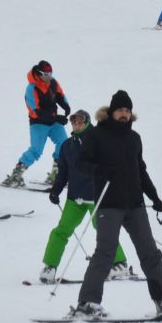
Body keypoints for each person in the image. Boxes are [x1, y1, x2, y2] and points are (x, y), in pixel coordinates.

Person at [70, 91, 162, 319]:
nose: (124, 114)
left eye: (127, 110)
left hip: (135, 205)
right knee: (104, 254)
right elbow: (80, 163)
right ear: (111, 112)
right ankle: (87, 303)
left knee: (150, 254)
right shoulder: (97, 135)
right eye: (120, 110)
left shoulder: (134, 139)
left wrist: (154, 197)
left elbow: (141, 171)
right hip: (109, 204)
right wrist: (100, 170)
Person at [41, 110, 133, 283]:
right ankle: (49, 267)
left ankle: (119, 263)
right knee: (61, 231)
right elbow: (63, 172)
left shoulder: (97, 140)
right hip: (75, 198)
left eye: (80, 122)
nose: (76, 125)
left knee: (104, 230)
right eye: (74, 122)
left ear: (87, 122)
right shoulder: (67, 145)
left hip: (97, 196)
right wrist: (56, 190)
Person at [2, 60, 71, 187]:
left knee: (63, 143)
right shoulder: (32, 88)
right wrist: (56, 118)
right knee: (36, 150)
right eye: (45, 74)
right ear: (39, 73)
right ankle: (16, 175)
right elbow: (35, 111)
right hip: (39, 123)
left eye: (50, 74)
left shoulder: (53, 82)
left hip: (53, 121)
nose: (48, 77)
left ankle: (56, 174)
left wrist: (66, 106)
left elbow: (60, 95)